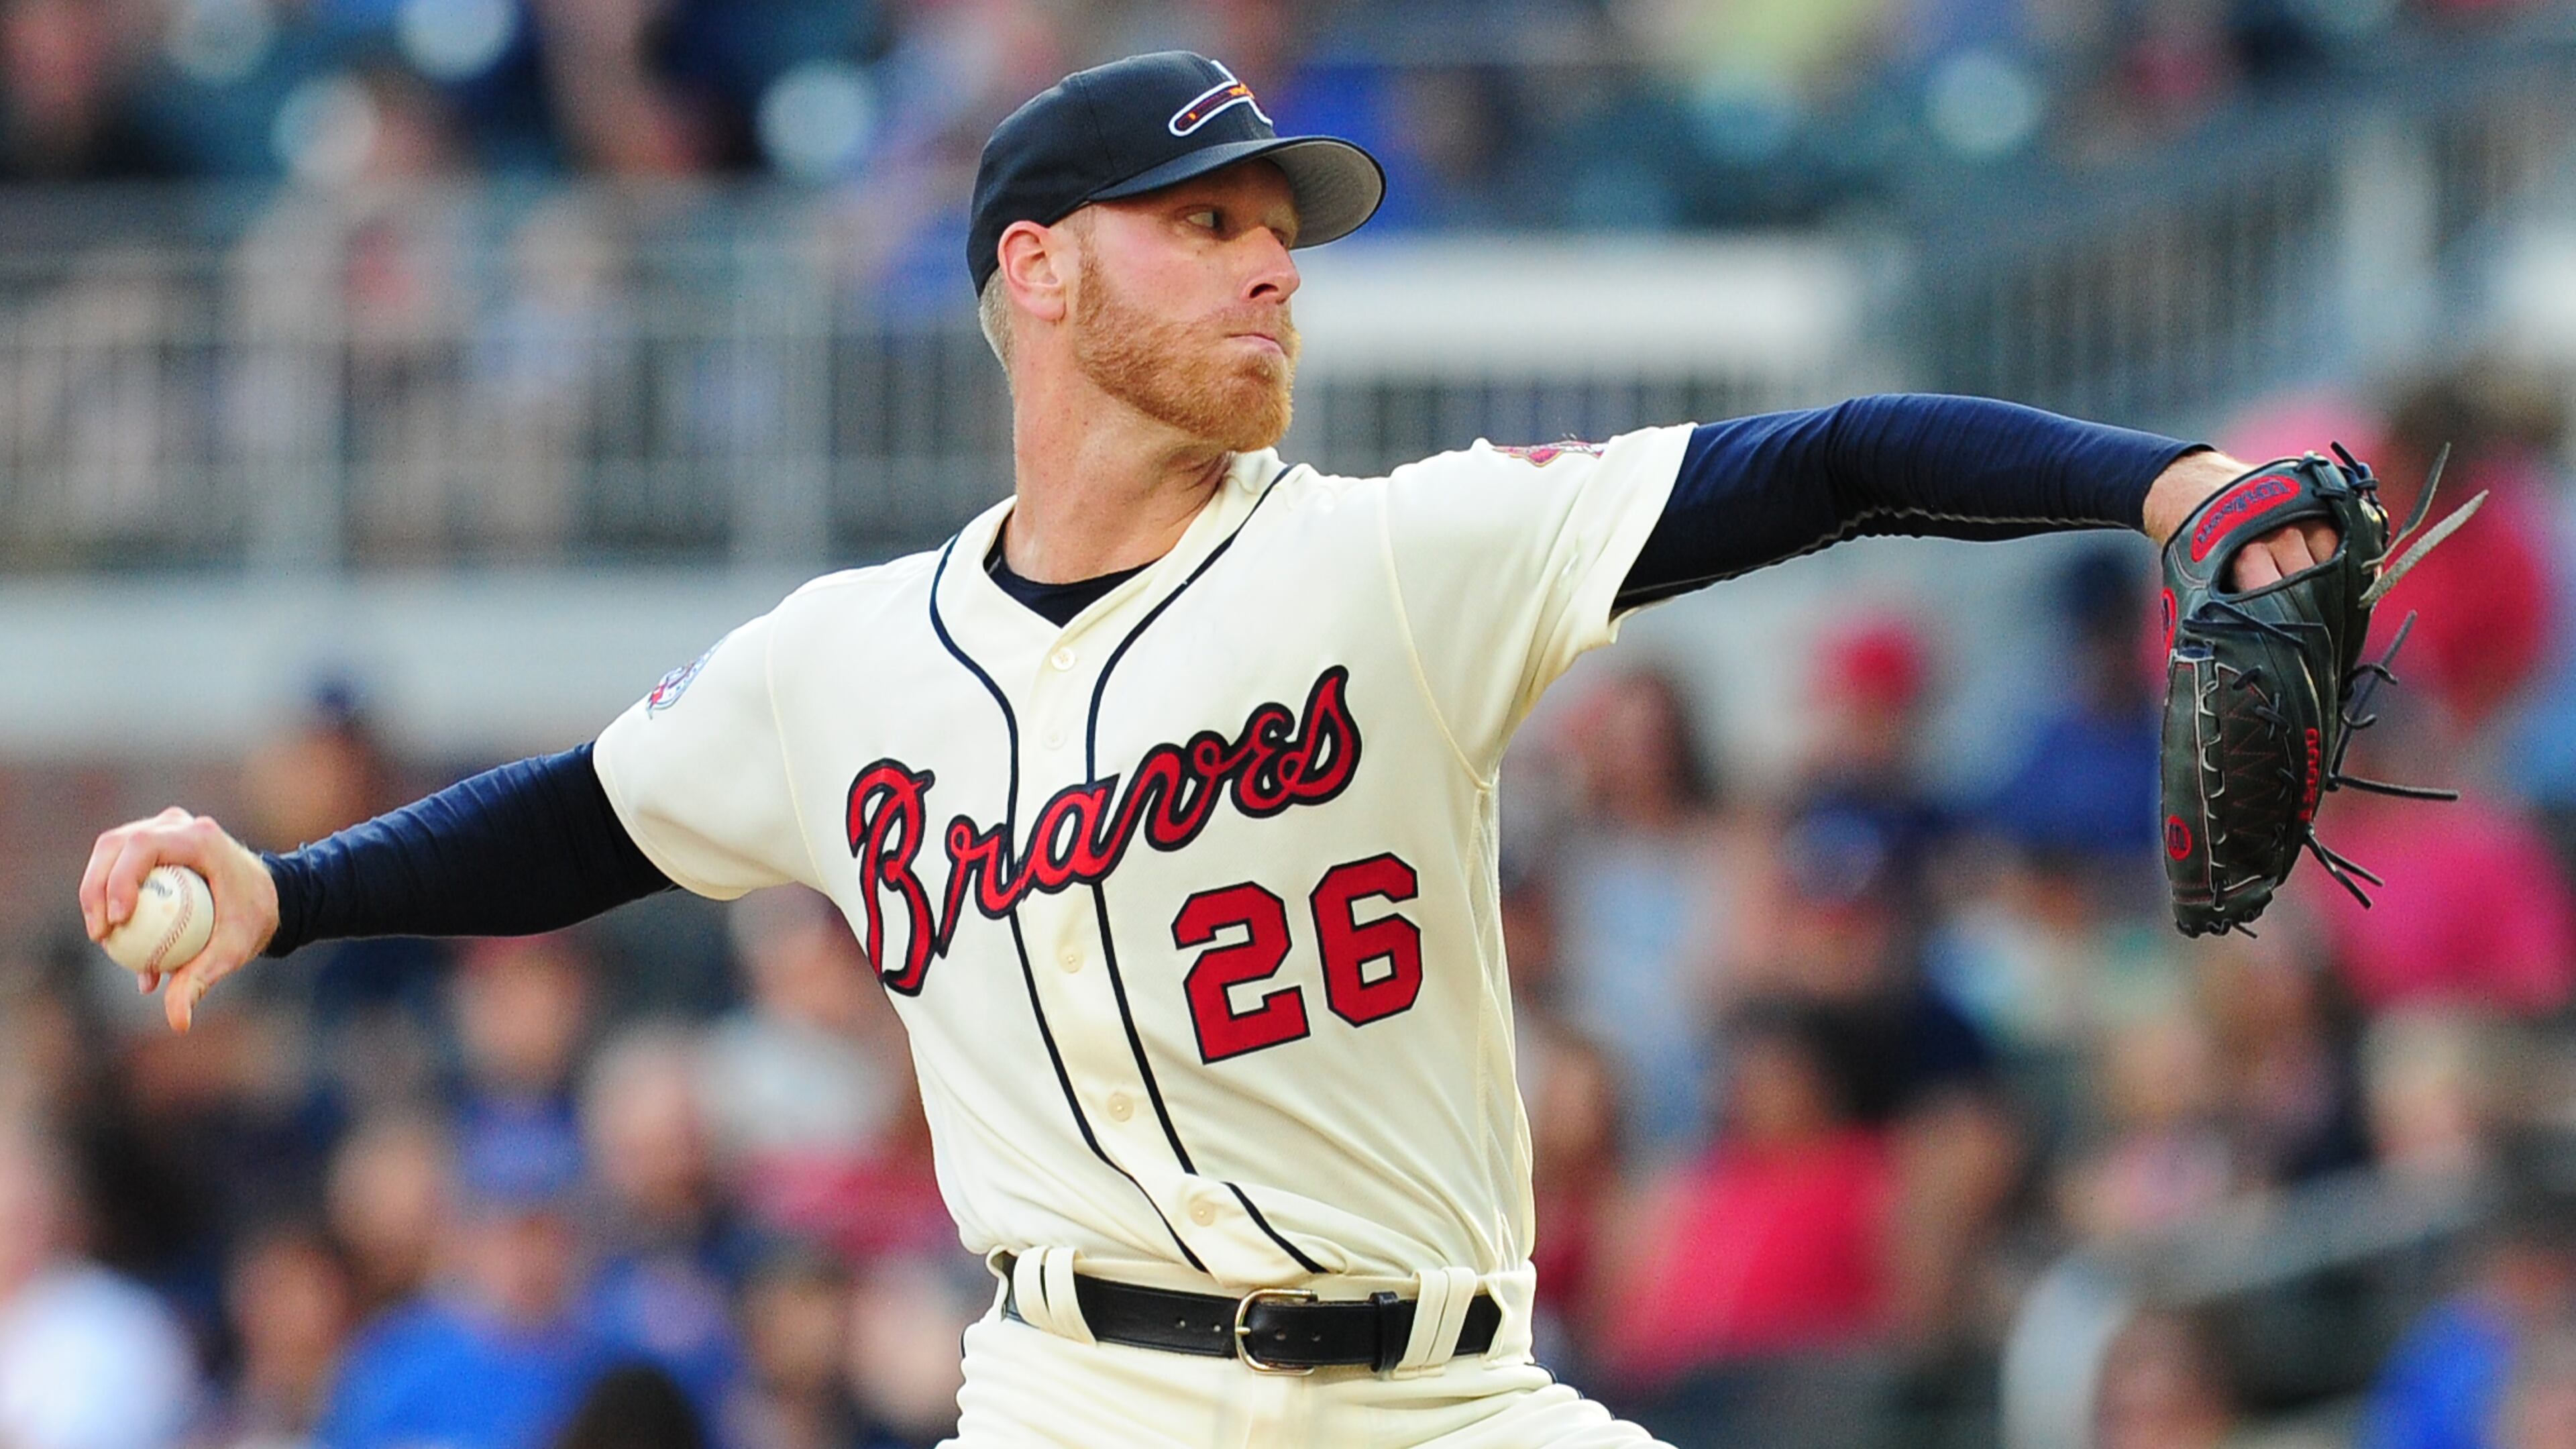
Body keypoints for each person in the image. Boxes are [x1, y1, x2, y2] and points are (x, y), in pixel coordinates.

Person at [83, 49, 2341, 1449]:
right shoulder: (847, 660)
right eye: (1208, 227)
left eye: (1282, 232)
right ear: (1040, 276)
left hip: (1450, 1397)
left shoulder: (1396, 557)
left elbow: (1832, 458)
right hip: (1086, 1398)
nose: (1272, 269)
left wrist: (2163, 484)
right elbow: (582, 820)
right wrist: (289, 891)